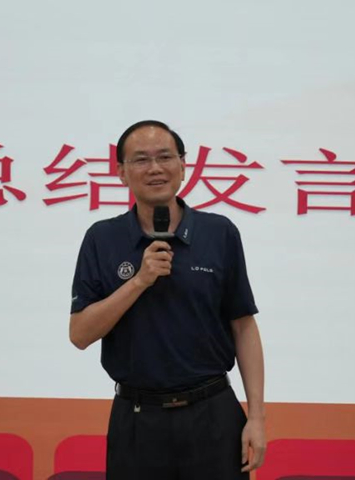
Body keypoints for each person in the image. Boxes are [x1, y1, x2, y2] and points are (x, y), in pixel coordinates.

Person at [69, 120, 266, 480]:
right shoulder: (102, 238)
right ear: (121, 172)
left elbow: (243, 325)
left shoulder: (219, 232)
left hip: (212, 415)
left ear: (183, 165)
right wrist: (139, 281)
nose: (155, 168)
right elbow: (80, 334)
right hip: (137, 420)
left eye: (165, 157)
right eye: (141, 159)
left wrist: (256, 416)